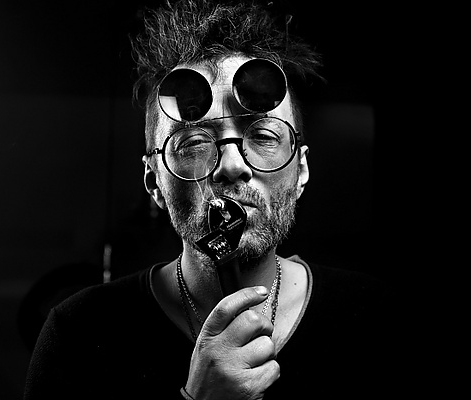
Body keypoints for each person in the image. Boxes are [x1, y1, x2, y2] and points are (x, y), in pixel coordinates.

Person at [24, 1, 405, 398]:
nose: (232, 165)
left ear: (302, 170)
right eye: (193, 142)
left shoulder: (380, 318)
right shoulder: (77, 334)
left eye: (263, 135)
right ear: (154, 182)